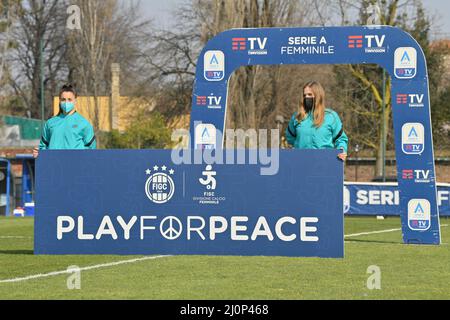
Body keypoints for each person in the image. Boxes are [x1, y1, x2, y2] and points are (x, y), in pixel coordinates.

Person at [285, 81, 348, 161]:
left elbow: (341, 139)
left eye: (310, 94)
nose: (306, 97)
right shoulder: (297, 117)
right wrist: (300, 146)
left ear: (318, 96)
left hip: (325, 163)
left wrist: (342, 149)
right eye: (304, 95)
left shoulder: (331, 116)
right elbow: (290, 137)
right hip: (301, 162)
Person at [33, 84, 96, 158]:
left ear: (75, 100)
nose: (66, 102)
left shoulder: (83, 123)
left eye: (69, 99)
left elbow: (91, 149)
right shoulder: (50, 123)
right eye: (63, 99)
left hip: (76, 166)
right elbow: (43, 146)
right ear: (59, 100)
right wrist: (39, 154)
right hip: (53, 165)